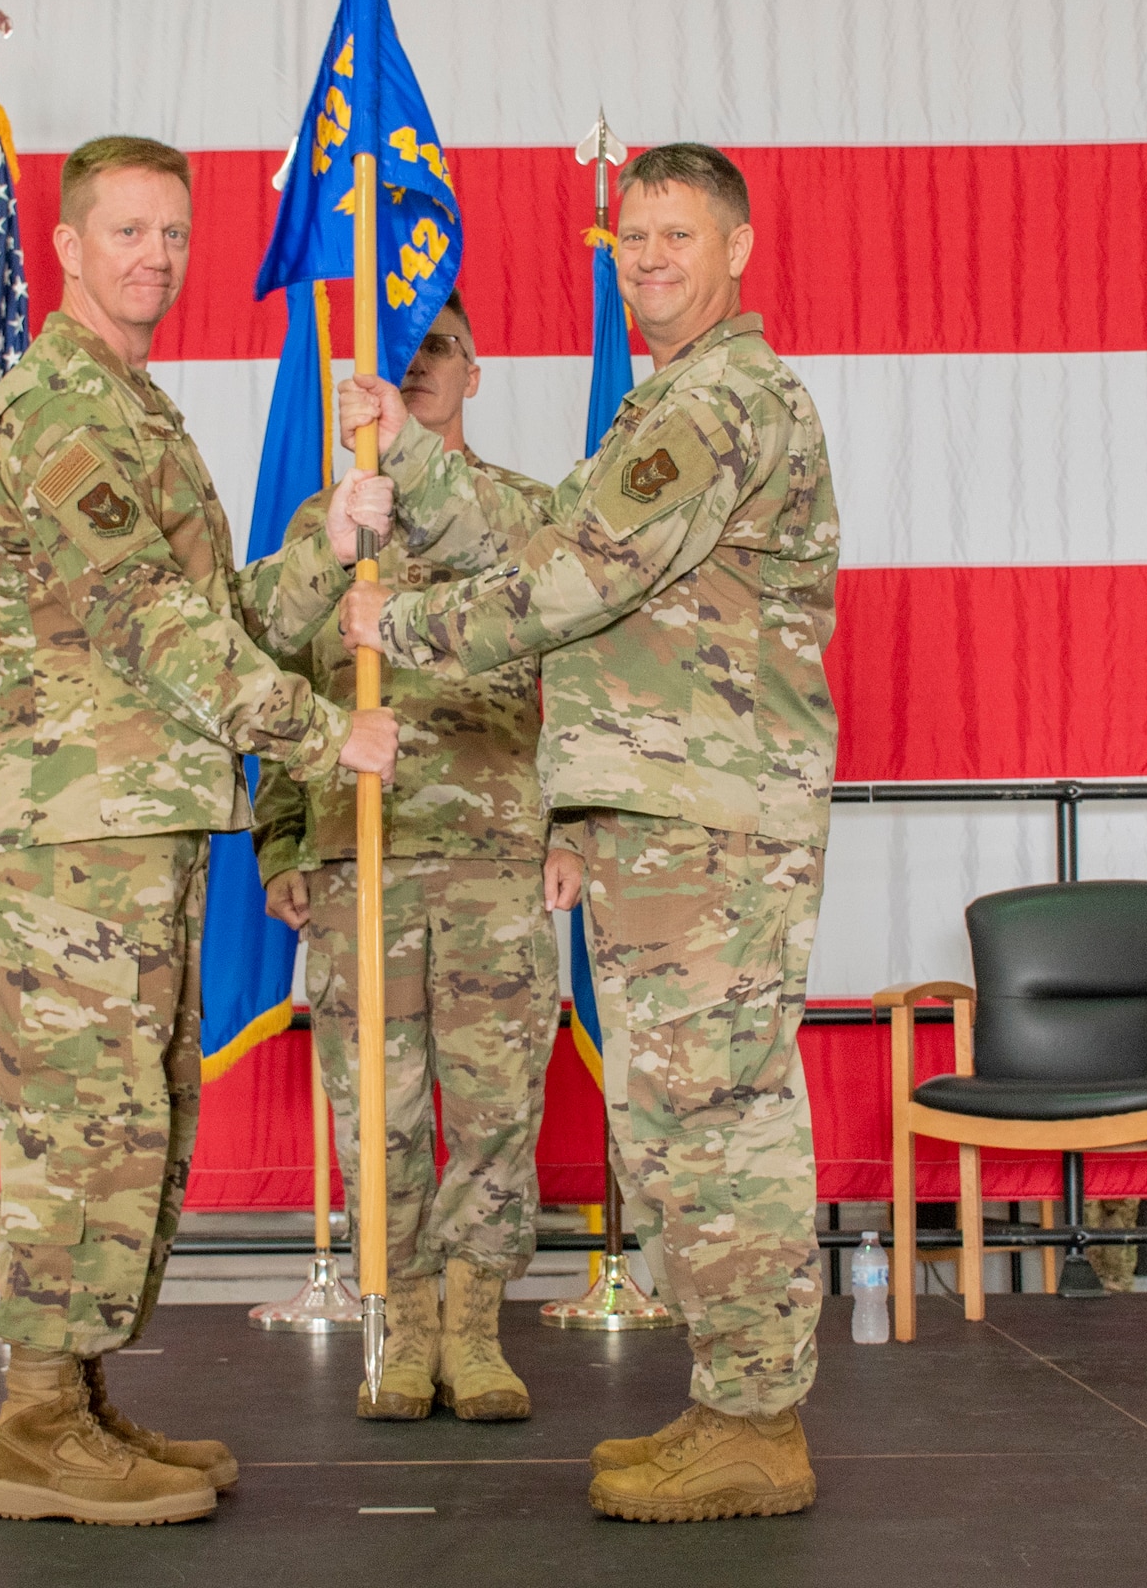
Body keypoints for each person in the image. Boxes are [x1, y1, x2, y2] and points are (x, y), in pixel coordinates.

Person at [335, 143, 839, 1524]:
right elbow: (559, 518)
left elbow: (575, 575)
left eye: (679, 234)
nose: (651, 258)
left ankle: (759, 1420)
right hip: (668, 815)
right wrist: (420, 453)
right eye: (632, 237)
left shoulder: (722, 401)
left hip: (708, 822)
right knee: (677, 1125)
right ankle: (730, 1403)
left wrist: (410, 622)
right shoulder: (665, 408)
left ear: (737, 246)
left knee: (718, 1122)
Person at [0, 134, 399, 1526]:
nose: (155, 257)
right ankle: (32, 1424)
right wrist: (330, 733)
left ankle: (78, 1396)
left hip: (136, 825)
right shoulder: (56, 412)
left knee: (136, 1116)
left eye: (174, 234)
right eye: (129, 232)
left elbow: (207, 615)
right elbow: (152, 630)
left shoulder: (136, 408)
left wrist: (326, 541)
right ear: (70, 249)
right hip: (76, 833)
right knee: (82, 1126)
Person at [255, 290, 558, 1424]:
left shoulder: (528, 516)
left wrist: (572, 825)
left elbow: (577, 679)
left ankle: (476, 1332)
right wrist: (282, 834)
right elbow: (279, 679)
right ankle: (405, 1326)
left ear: (474, 374)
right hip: (358, 854)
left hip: (493, 857)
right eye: (400, 354)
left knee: (492, 1105)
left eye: (439, 350)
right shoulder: (322, 524)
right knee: (374, 1108)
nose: (418, 368)